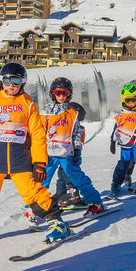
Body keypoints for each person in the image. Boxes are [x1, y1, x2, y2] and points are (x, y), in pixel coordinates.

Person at [0, 61, 69, 246]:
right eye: (7, 80)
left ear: (23, 82)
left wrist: (39, 162)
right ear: (1, 81)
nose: (11, 85)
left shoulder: (27, 103)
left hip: (20, 158)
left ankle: (56, 223)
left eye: (16, 80)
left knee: (33, 192)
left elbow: (37, 135)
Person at [43, 76, 103, 214]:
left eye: (65, 93)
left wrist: (77, 151)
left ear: (69, 94)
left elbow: (76, 133)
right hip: (49, 154)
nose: (61, 96)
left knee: (78, 178)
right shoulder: (45, 112)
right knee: (42, 180)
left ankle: (95, 202)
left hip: (67, 154)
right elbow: (39, 133)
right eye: (58, 92)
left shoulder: (72, 113)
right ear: (52, 93)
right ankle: (34, 208)